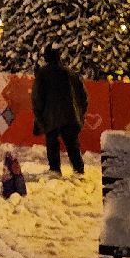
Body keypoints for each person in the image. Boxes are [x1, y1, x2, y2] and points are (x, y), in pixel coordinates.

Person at [31, 45, 87, 175]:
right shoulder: (71, 73)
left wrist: (39, 117)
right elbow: (83, 97)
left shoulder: (43, 74)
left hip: (50, 117)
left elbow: (37, 98)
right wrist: (80, 114)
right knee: (72, 144)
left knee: (52, 144)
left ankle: (55, 170)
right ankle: (79, 170)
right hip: (70, 116)